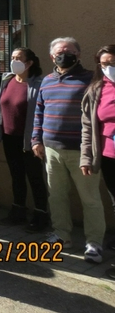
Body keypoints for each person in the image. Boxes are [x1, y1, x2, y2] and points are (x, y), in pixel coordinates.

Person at [34, 37, 104, 262]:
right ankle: (62, 235)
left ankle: (94, 243)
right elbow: (39, 111)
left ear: (78, 55)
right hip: (51, 149)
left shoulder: (92, 79)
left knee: (90, 199)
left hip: (82, 151)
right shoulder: (46, 81)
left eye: (70, 51)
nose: (64, 55)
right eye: (59, 52)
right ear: (52, 56)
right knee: (57, 195)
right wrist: (36, 140)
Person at [0, 48, 49, 231]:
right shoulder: (7, 80)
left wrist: (38, 139)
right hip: (9, 137)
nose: (14, 61)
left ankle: (41, 216)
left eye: (19, 58)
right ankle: (18, 211)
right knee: (16, 175)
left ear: (29, 63)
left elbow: (43, 112)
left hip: (29, 139)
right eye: (12, 58)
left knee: (35, 176)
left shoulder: (38, 84)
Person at [81, 45, 115, 268]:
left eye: (113, 63)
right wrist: (86, 157)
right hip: (109, 156)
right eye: (104, 64)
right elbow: (87, 126)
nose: (109, 68)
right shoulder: (96, 89)